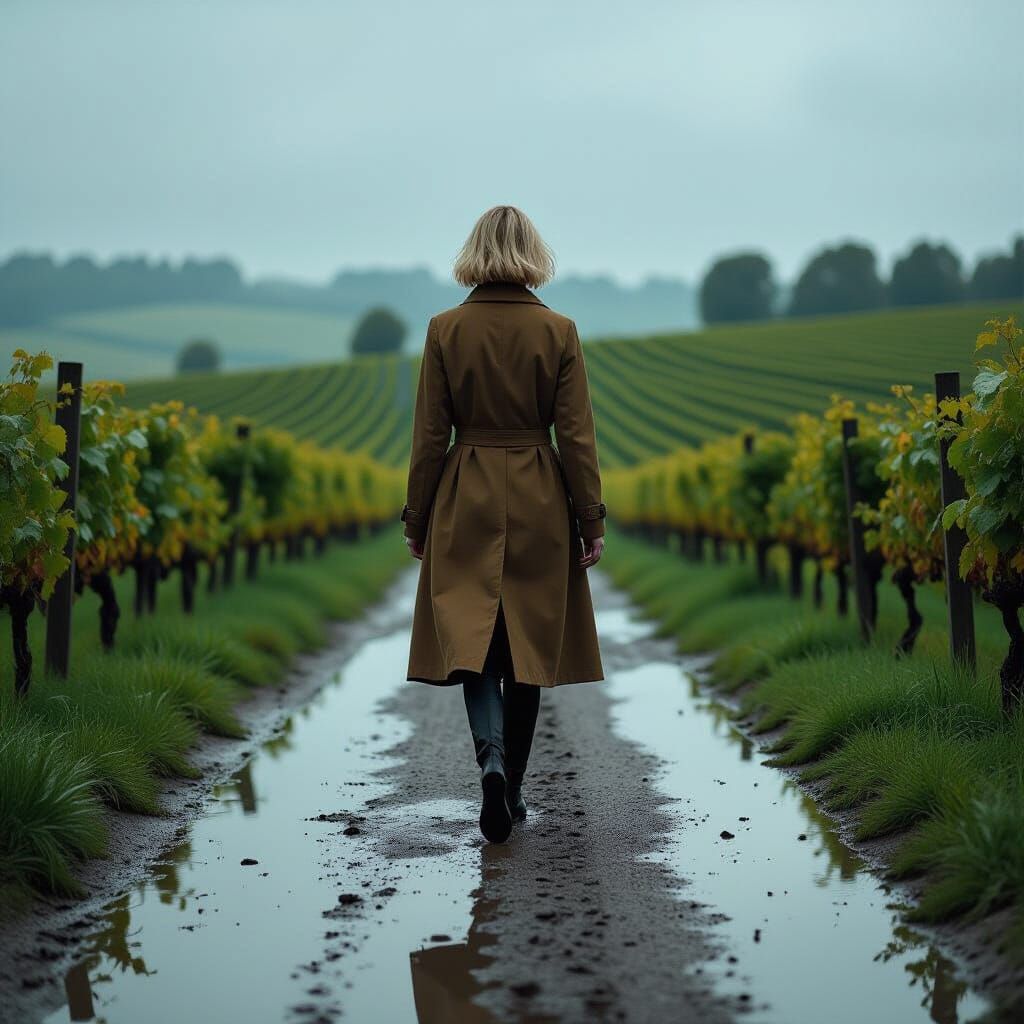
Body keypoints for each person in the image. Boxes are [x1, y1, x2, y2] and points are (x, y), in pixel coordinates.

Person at [402, 205, 606, 844]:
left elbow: (430, 435)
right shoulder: (561, 331)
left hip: (466, 491)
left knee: (475, 646)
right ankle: (512, 788)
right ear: (532, 255)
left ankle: (489, 762)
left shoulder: (443, 329)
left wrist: (417, 515)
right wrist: (589, 518)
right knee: (527, 647)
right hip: (541, 494)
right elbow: (575, 437)